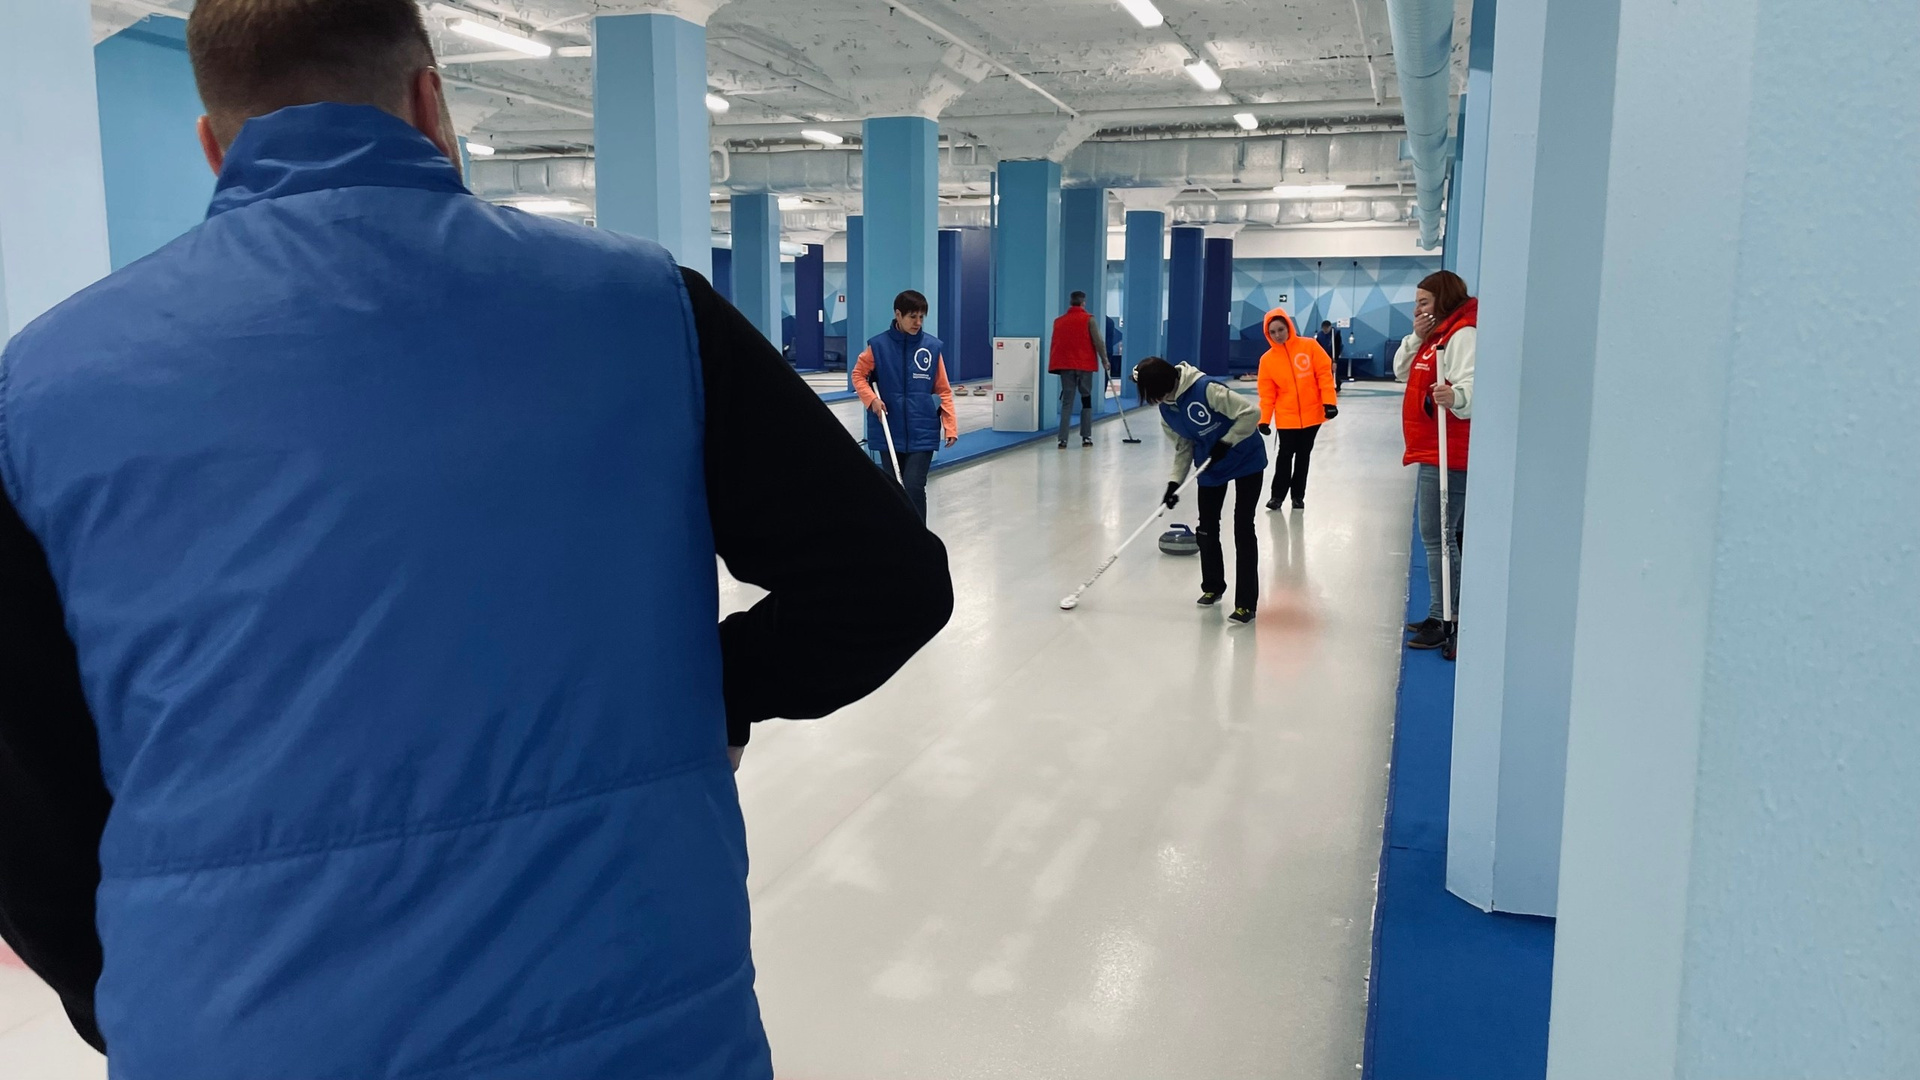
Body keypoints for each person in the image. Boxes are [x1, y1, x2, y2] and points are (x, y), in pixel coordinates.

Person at [0, 2, 953, 1076]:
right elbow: (890, 583)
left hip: (235, 1034)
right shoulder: (650, 313)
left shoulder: (36, 389)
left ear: (214, 145)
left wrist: (148, 1001)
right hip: (632, 1017)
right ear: (431, 103)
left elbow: (25, 789)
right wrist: (707, 686)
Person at [1134, 356, 1269, 625]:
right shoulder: (1167, 411)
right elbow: (1184, 447)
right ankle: (1213, 586)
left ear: (1164, 385)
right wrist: (1174, 483)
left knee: (1243, 527)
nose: (1152, 399)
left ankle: (1246, 604)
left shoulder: (1206, 389)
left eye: (1151, 392)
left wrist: (1227, 441)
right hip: (1211, 466)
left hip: (1246, 459)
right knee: (1206, 528)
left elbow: (1252, 414)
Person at [1394, 269, 1477, 657]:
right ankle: (1440, 610)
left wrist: (1455, 397)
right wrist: (1416, 335)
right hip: (1431, 447)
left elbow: (1471, 388)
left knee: (1438, 536)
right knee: (1440, 536)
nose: (1418, 309)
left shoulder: (1462, 335)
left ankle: (1447, 617)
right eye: (1416, 303)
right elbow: (1400, 370)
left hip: (1449, 451)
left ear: (1442, 300)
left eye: (1424, 302)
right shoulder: (1435, 336)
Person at [853, 289, 959, 522]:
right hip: (889, 429)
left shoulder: (931, 347)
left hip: (923, 430)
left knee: (913, 485)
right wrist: (872, 400)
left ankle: (919, 536)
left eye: (921, 317)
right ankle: (900, 535)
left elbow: (943, 389)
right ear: (898, 314)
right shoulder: (878, 346)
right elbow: (858, 375)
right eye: (912, 316)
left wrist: (950, 425)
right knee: (894, 490)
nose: (918, 322)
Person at [1256, 308, 1339, 511]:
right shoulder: (1267, 360)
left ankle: (1298, 496)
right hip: (1286, 417)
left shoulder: (1309, 346)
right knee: (1285, 455)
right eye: (1272, 332)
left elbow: (1324, 374)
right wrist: (1264, 419)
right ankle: (1277, 496)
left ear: (1289, 327)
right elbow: (1267, 394)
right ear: (1268, 334)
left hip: (1312, 415)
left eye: (1281, 329)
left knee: (1303, 456)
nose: (1277, 335)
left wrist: (1329, 403)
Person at [1049, 290, 1110, 449]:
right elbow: (1098, 342)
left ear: (1071, 302)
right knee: (1086, 399)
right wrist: (1105, 360)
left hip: (1066, 366)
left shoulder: (1059, 321)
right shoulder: (1089, 319)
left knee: (1067, 402)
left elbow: (1056, 344)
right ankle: (1086, 437)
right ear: (1083, 303)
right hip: (1085, 365)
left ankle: (1062, 439)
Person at [1316, 319, 1349, 384]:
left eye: (1326, 329)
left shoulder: (1335, 333)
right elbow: (1318, 347)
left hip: (1333, 355)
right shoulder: (1320, 335)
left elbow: (1337, 348)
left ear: (1330, 327)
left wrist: (1335, 361)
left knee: (1333, 370)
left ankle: (1337, 384)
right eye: (1324, 329)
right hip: (1323, 355)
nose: (1325, 330)